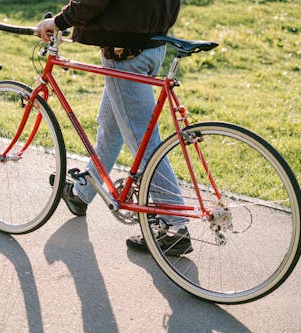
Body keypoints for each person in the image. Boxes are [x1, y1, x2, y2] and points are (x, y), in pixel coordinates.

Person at [36, 0, 192, 256]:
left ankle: (175, 227)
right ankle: (81, 192)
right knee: (112, 127)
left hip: (126, 51)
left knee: (143, 143)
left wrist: (59, 21)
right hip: (152, 42)